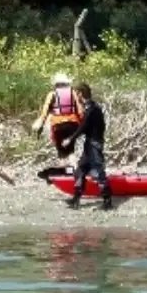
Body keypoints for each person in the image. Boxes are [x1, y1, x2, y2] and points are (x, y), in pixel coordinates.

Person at [60, 83, 113, 211]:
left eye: (75, 94)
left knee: (98, 172)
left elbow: (83, 127)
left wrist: (70, 139)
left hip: (94, 144)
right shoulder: (91, 107)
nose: (74, 97)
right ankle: (76, 199)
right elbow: (85, 127)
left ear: (80, 94)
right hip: (90, 143)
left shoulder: (92, 109)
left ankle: (107, 201)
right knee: (81, 170)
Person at [32, 72, 84, 169]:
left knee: (61, 151)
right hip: (73, 125)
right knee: (70, 150)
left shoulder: (52, 94)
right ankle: (75, 170)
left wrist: (40, 125)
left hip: (58, 126)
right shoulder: (73, 93)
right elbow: (80, 110)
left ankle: (63, 170)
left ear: (55, 84)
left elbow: (45, 113)